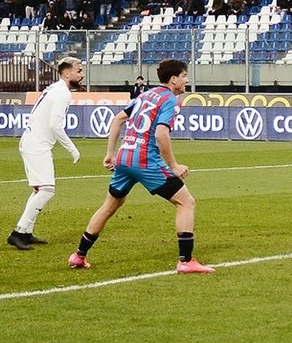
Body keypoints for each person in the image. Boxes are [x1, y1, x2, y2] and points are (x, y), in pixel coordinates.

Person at [68, 59, 214, 273]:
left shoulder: (145, 95)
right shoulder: (170, 101)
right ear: (173, 79)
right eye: (184, 76)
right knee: (186, 202)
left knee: (110, 206)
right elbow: (161, 133)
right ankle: (186, 261)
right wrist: (173, 165)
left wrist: (111, 153)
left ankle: (79, 256)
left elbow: (118, 119)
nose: (187, 80)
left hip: (125, 157)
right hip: (144, 159)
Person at [8, 56, 83, 250]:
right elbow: (55, 125)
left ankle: (25, 232)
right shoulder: (62, 93)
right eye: (79, 70)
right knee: (47, 190)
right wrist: (72, 148)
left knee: (40, 190)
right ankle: (18, 232)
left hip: (33, 141)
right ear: (67, 73)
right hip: (36, 145)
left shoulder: (54, 89)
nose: (81, 75)